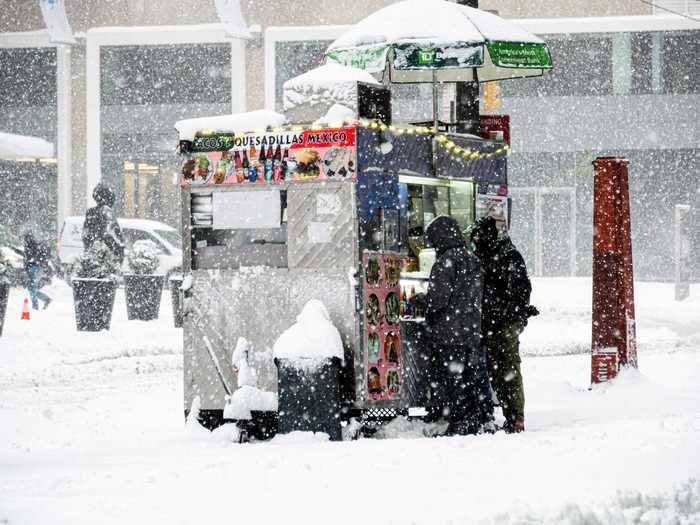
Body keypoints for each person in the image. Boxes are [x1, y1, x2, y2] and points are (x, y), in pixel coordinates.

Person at [415, 215, 493, 435]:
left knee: (453, 380)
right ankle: (479, 417)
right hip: (471, 331)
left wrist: (422, 299)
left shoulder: (445, 262)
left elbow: (438, 299)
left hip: (450, 332)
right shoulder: (472, 258)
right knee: (472, 377)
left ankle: (459, 421)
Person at [470, 216, 538, 433]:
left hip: (504, 322)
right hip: (494, 321)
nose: (476, 242)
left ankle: (516, 417)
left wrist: (512, 314)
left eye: (478, 237)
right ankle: (512, 415)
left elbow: (521, 291)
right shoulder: (491, 254)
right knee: (498, 370)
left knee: (507, 368)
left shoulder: (508, 256)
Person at [82, 183, 125, 263]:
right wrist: (118, 248)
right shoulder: (106, 212)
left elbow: (86, 235)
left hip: (95, 254)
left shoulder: (91, 212)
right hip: (105, 256)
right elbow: (111, 234)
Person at [22, 232, 52, 310]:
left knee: (32, 288)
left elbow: (29, 257)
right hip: (36, 268)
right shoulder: (33, 245)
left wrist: (27, 263)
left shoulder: (30, 246)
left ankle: (35, 307)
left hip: (34, 268)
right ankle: (45, 299)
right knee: (31, 288)